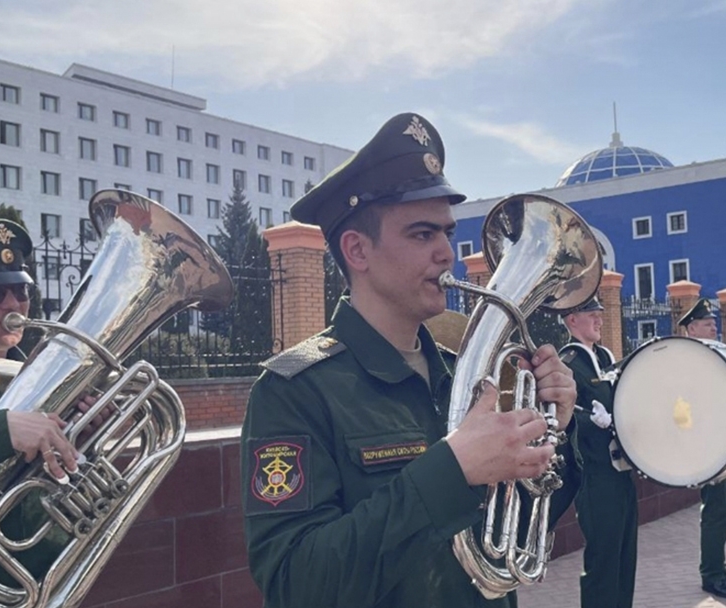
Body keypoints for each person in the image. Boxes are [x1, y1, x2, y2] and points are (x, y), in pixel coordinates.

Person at [239, 113, 579, 608]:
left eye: (446, 232)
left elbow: (515, 546)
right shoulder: (295, 390)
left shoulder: (465, 377)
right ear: (357, 250)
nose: (447, 252)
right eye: (422, 234)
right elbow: (296, 582)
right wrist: (452, 470)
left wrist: (547, 437)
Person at [0, 219, 83, 587]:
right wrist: (1, 430)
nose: (13, 303)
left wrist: (78, 428)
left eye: (21, 289)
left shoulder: (29, 374)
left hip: (44, 579)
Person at [560, 297, 637, 608]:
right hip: (595, 474)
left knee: (624, 553)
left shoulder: (604, 357)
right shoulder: (568, 362)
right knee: (603, 557)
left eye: (600, 314)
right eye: (591, 314)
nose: (599, 320)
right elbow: (562, 414)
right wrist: (590, 421)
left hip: (621, 468)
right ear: (571, 319)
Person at [681, 298, 726, 600]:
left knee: (724, 507)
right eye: (707, 322)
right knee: (714, 510)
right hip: (705, 444)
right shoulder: (686, 359)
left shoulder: (716, 356)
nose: (714, 325)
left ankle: (719, 567)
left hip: (724, 442)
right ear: (691, 328)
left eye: (714, 322)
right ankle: (710, 574)